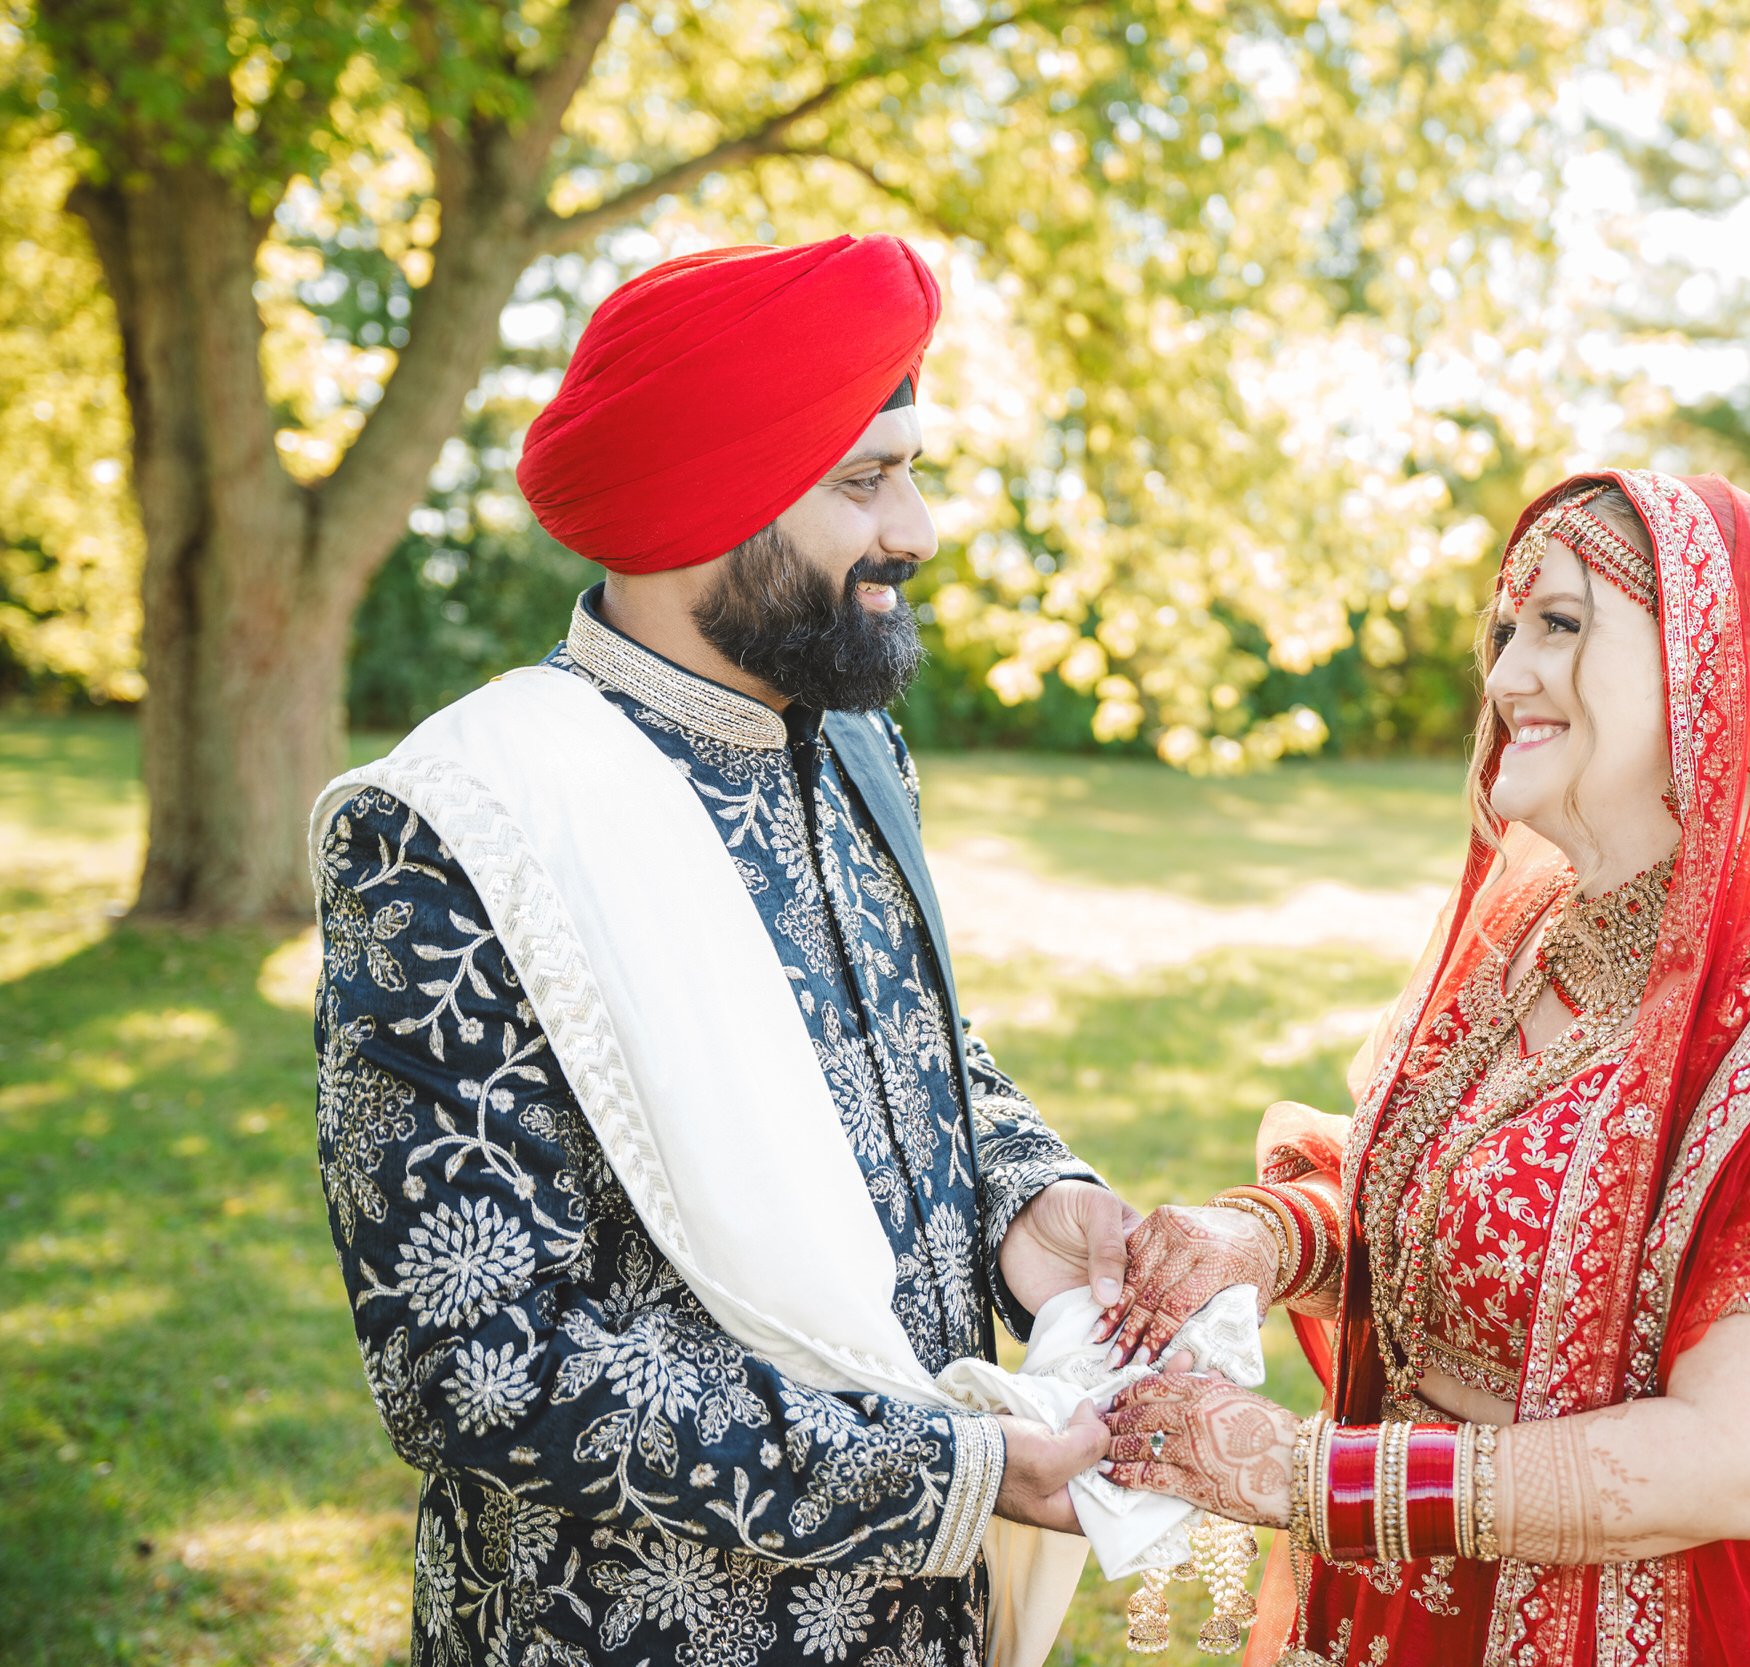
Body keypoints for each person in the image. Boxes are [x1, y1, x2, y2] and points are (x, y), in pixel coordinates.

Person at [310, 235, 1133, 1667]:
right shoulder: (453, 825)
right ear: (710, 500)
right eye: (866, 480)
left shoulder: (857, 746)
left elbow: (890, 1050)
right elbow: (475, 1364)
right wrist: (953, 1479)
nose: (918, 525)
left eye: (911, 469)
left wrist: (1025, 1196)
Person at [1095, 470, 1750, 1666]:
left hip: (1654, 1625)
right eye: (1507, 630)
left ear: (1711, 668)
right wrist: (1253, 1244)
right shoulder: (1536, 929)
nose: (1506, 676)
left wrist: (1310, 1471)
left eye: (1560, 625)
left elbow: (1740, 1461)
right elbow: (1452, 1207)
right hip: (1408, 1600)